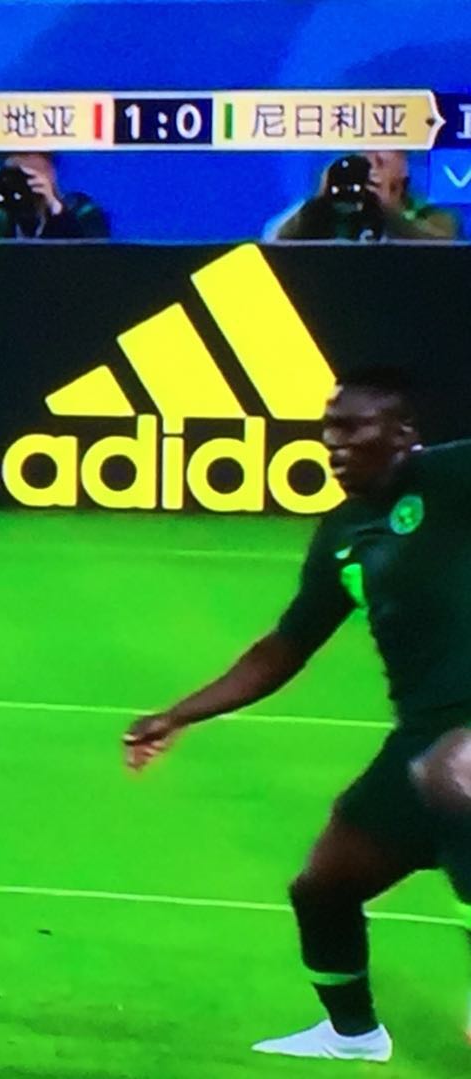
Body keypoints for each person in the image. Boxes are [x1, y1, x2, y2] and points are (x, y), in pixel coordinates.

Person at [124, 368, 471, 1063]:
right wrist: (178, 714)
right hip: (420, 733)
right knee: (323, 887)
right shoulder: (345, 532)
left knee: (454, 776)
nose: (333, 443)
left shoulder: (453, 477)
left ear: (402, 433)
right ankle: (352, 1036)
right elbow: (286, 647)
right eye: (327, 429)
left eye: (352, 428)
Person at [268, 152, 460, 243]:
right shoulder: (325, 210)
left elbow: (445, 247)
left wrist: (388, 212)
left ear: (403, 168)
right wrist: (321, 201)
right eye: (364, 158)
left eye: (380, 161)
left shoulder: (430, 214)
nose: (370, 167)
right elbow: (275, 240)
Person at [0, 152, 109, 240]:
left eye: (33, 174)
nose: (26, 183)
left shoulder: (81, 210)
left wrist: (56, 209)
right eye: (17, 175)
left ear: (52, 173)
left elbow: (90, 258)